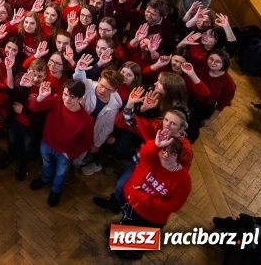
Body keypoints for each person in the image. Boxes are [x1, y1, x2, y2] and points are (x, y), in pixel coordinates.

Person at [110, 133, 192, 261]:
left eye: (172, 153)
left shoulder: (183, 181)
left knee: (139, 241)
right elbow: (145, 151)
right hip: (132, 204)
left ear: (178, 157)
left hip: (150, 217)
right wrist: (156, 144)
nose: (165, 155)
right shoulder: (153, 158)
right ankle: (119, 238)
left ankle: (133, 253)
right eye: (164, 150)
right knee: (127, 223)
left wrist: (142, 197)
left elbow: (173, 206)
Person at [29, 80, 94, 207]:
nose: (67, 99)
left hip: (65, 153)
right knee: (47, 165)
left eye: (72, 97)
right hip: (47, 143)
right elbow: (33, 107)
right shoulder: (57, 99)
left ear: (80, 98)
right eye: (65, 94)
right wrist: (41, 96)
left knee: (61, 174)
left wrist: (71, 154)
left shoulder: (86, 120)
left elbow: (87, 142)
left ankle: (55, 191)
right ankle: (45, 179)